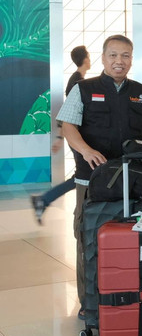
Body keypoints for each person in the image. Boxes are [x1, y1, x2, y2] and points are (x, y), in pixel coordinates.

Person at [56, 35, 142, 319]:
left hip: (132, 179)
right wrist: (86, 150)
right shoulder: (83, 89)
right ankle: (89, 304)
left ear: (132, 59)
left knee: (131, 238)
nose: (120, 61)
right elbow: (68, 126)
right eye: (114, 55)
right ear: (103, 58)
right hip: (90, 179)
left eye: (126, 56)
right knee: (89, 239)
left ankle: (125, 298)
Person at [31, 45, 92, 221]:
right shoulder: (77, 82)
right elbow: (68, 111)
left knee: (81, 175)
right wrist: (60, 135)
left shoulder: (78, 79)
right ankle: (44, 200)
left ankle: (43, 200)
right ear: (86, 59)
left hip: (79, 134)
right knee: (82, 175)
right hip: (78, 136)